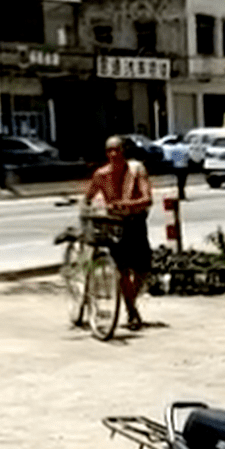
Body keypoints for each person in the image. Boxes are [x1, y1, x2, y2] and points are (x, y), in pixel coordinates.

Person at [85, 135, 152, 331]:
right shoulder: (100, 175)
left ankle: (130, 299)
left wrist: (127, 204)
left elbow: (147, 198)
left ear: (124, 152)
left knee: (142, 269)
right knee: (122, 269)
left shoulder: (136, 170)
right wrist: (88, 209)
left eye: (118, 150)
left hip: (136, 222)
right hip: (114, 224)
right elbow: (88, 196)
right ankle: (131, 310)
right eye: (110, 150)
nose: (114, 154)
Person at [167, 136, 190, 200]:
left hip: (176, 166)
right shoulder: (186, 147)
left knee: (179, 180)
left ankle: (180, 193)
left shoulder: (173, 148)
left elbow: (170, 157)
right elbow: (188, 156)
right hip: (184, 166)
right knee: (182, 181)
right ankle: (182, 194)